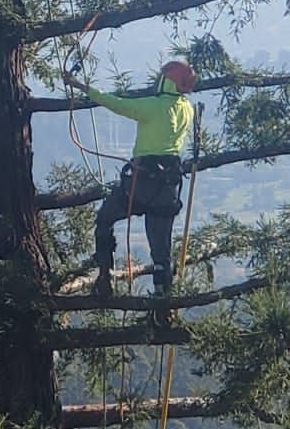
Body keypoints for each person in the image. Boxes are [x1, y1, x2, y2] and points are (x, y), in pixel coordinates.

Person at [67, 59, 197, 299]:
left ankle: (105, 277)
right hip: (168, 186)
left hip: (141, 185)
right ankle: (163, 301)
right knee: (161, 249)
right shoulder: (186, 108)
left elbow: (115, 103)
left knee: (105, 218)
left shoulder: (152, 107)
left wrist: (81, 86)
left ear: (167, 81)